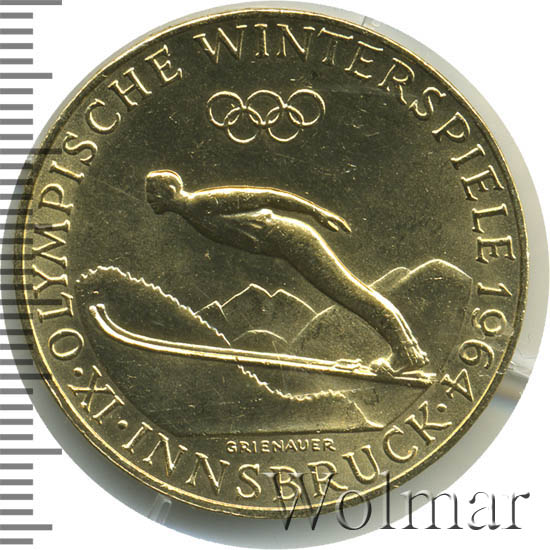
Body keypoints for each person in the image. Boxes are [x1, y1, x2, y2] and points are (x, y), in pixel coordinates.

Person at [145, 169, 428, 372]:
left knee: (350, 292)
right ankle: (409, 352)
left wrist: (316, 212)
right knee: (351, 292)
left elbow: (267, 196)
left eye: (152, 193)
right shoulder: (192, 212)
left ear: (169, 191)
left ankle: (406, 353)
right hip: (286, 245)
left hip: (294, 240)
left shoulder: (201, 203)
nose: (149, 199)